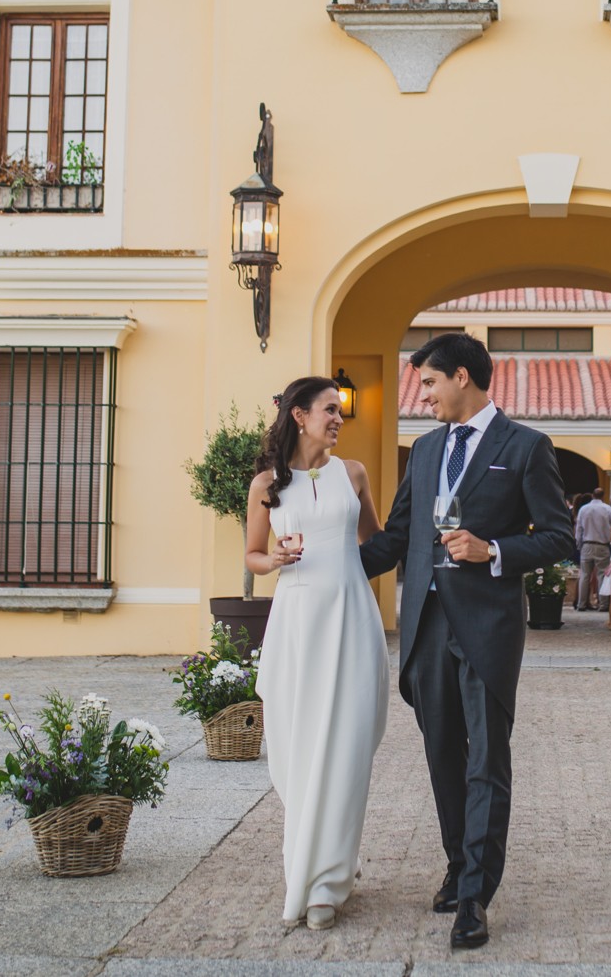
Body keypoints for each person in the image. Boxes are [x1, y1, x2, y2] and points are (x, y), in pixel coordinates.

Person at [359, 332, 575, 950]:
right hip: (426, 627)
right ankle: (458, 863)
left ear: (460, 377)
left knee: (486, 760)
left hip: (487, 627)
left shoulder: (527, 447)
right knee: (441, 756)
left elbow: (557, 536)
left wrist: (494, 550)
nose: (421, 395)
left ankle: (475, 895)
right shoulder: (424, 452)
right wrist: (323, 565)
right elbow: (396, 537)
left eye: (428, 382)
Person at [247, 375, 389, 932]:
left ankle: (330, 884)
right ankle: (302, 873)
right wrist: (276, 559)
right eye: (329, 409)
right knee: (301, 749)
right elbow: (253, 557)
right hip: (298, 624)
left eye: (341, 411)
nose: (338, 418)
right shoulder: (266, 484)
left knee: (348, 749)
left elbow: (377, 545)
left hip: (352, 620)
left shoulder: (353, 474)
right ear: (299, 415)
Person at [573, 487, 611, 611]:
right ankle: (603, 604)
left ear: (593, 495)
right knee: (602, 575)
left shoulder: (583, 509)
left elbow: (579, 528)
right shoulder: (607, 509)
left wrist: (579, 544)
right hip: (602, 545)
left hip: (587, 544)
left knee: (585, 575)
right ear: (603, 496)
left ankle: (581, 604)